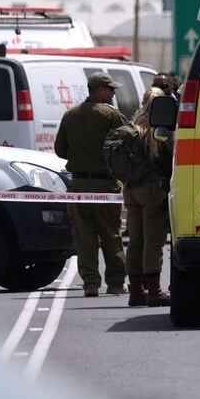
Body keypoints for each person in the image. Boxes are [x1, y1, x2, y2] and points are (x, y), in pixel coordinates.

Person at [54, 71, 128, 297]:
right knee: (111, 235)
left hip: (78, 186)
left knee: (84, 238)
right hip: (106, 185)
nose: (113, 94)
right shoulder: (111, 115)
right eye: (110, 90)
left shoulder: (71, 115)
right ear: (100, 90)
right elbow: (128, 145)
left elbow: (60, 149)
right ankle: (115, 283)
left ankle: (90, 284)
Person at [124, 87, 172, 307]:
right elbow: (169, 158)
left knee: (135, 241)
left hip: (130, 189)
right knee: (153, 242)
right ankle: (154, 291)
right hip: (151, 190)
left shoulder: (131, 127)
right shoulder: (158, 129)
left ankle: (136, 291)